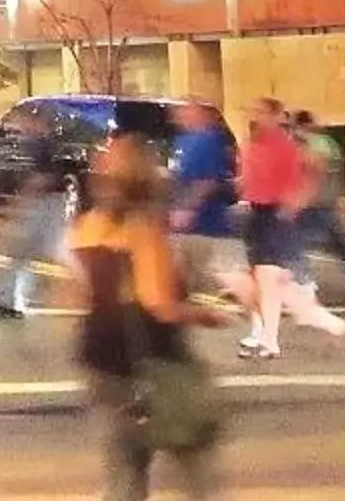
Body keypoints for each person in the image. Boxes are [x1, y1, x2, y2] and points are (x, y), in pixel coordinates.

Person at [76, 134, 224, 501]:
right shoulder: (144, 228)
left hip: (99, 358)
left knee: (124, 474)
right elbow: (158, 303)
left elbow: (80, 293)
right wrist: (205, 315)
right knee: (193, 463)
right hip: (153, 363)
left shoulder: (88, 225)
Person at [234, 98, 343, 359]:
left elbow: (314, 170)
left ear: (274, 116)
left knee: (268, 278)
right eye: (254, 112)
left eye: (261, 112)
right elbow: (248, 177)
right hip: (257, 212)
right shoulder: (253, 145)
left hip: (275, 213)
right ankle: (266, 329)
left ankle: (271, 336)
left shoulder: (287, 145)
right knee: (258, 278)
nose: (256, 117)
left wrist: (296, 201)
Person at [287, 107, 345, 314]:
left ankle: (307, 291)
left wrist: (299, 199)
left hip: (311, 204)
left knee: (294, 248)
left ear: (300, 125)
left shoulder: (306, 144)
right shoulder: (328, 142)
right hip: (330, 203)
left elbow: (313, 171)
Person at [166, 100, 249, 319]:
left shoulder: (210, 140)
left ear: (201, 114)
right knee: (183, 270)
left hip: (205, 219)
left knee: (219, 269)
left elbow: (208, 180)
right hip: (187, 222)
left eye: (188, 111)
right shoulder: (184, 140)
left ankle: (258, 305)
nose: (181, 115)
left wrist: (188, 208)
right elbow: (181, 173)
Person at [0, 104, 68, 318]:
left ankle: (11, 301)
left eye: (24, 121)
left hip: (44, 205)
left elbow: (43, 178)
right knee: (28, 254)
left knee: (29, 252)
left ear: (37, 122)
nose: (20, 125)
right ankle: (11, 301)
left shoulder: (40, 146)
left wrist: (24, 200)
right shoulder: (45, 145)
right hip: (49, 204)